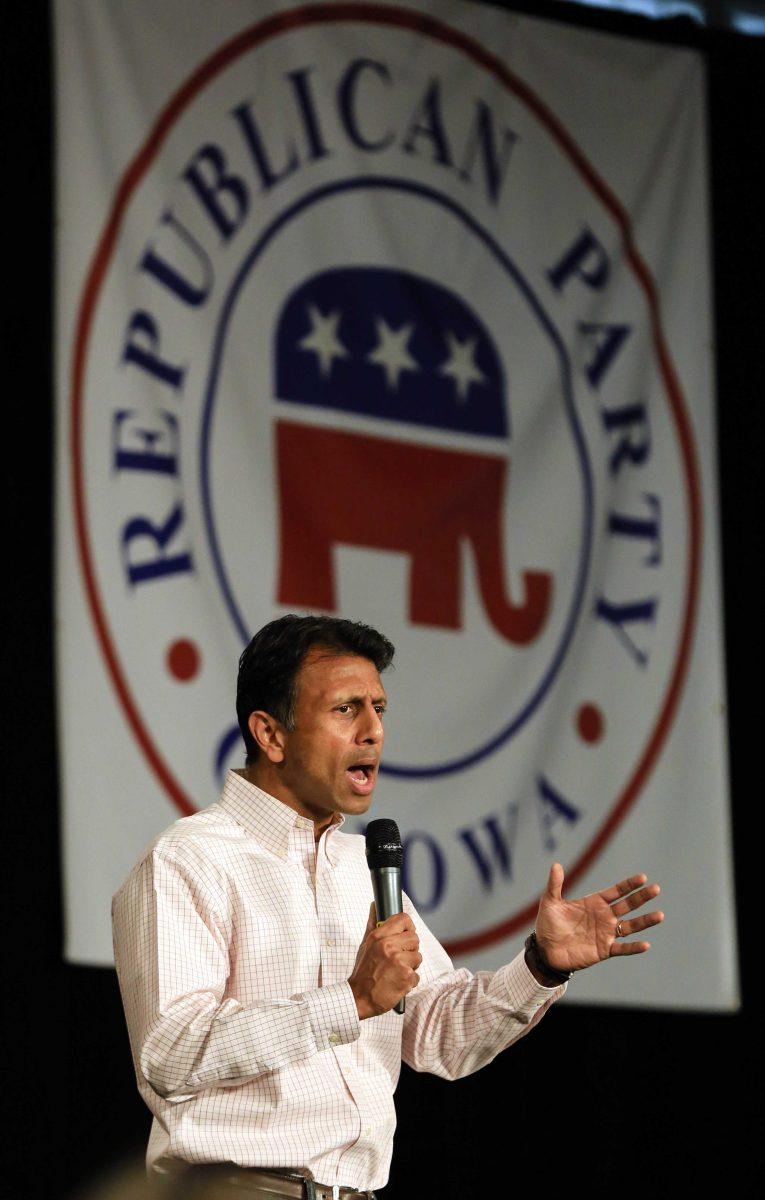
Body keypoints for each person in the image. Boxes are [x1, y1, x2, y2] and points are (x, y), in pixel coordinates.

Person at [112, 614, 664, 1200]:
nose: (374, 730)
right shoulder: (188, 860)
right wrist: (348, 1001)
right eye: (347, 709)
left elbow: (441, 1036)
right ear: (270, 735)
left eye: (379, 708)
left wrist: (541, 967)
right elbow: (170, 1053)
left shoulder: (362, 868)